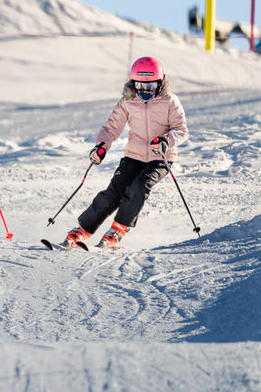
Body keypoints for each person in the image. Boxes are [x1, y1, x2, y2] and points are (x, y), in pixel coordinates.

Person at [63, 56, 189, 249]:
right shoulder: (127, 102)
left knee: (139, 186)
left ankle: (117, 230)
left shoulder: (170, 101)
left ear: (160, 83)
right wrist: (101, 147)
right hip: (134, 156)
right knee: (113, 192)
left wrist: (166, 141)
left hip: (160, 158)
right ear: (133, 83)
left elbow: (181, 130)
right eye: (140, 86)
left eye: (150, 87)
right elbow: (111, 128)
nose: (145, 91)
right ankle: (83, 229)